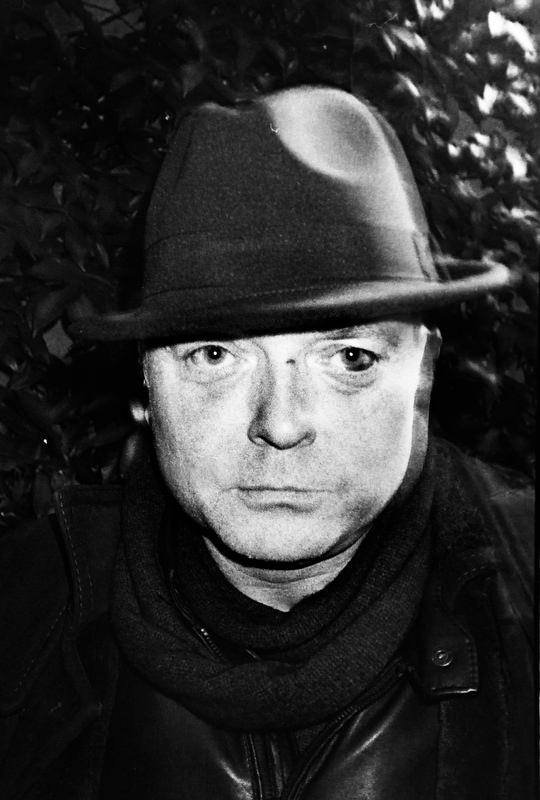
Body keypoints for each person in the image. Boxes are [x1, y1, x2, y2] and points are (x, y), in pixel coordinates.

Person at [0, 86, 534, 800]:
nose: (280, 425)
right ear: (144, 386)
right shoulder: (23, 611)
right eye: (215, 355)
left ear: (424, 376)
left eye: (350, 359)